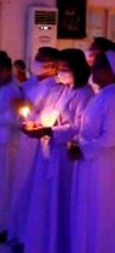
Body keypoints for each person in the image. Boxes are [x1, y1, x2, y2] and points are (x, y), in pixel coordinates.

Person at [23, 49, 94, 253]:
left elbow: (78, 127)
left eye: (65, 69)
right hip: (50, 151)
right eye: (60, 69)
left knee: (62, 201)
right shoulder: (64, 89)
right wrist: (36, 125)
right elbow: (52, 114)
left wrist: (50, 131)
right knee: (46, 200)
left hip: (66, 156)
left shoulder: (84, 94)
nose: (61, 73)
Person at [69, 51, 115, 253]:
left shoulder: (114, 99)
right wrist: (76, 143)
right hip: (90, 160)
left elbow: (111, 137)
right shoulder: (100, 96)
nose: (94, 73)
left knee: (101, 213)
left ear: (110, 72)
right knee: (87, 211)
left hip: (103, 165)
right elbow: (86, 128)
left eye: (98, 69)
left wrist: (83, 149)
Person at [7, 47, 60, 245]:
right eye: (36, 58)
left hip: (37, 144)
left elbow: (45, 117)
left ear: (52, 66)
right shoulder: (31, 82)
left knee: (30, 188)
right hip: (23, 141)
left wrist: (27, 112)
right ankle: (17, 230)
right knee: (18, 185)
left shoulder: (54, 87)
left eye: (42, 60)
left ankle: (29, 236)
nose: (36, 63)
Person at [0, 51, 22, 242]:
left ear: (7, 71)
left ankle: (5, 226)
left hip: (7, 146)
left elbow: (18, 119)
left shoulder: (14, 91)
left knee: (5, 188)